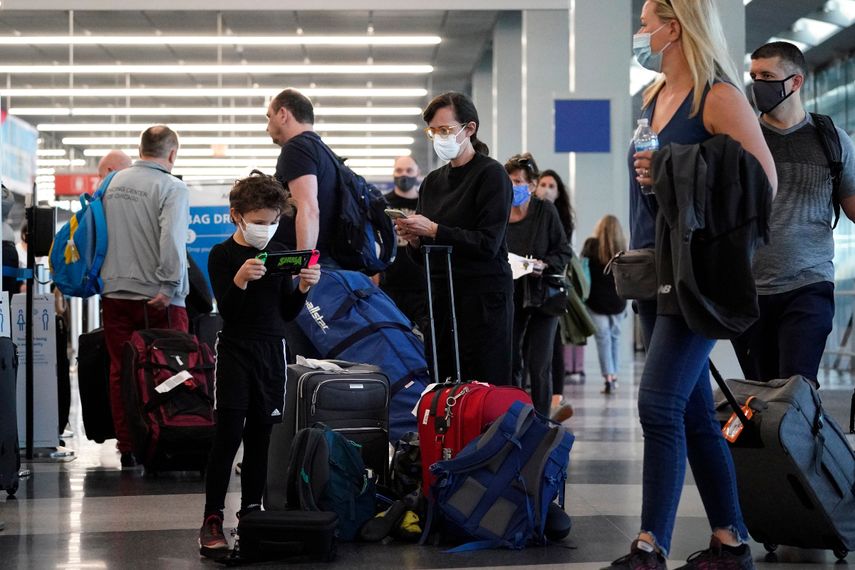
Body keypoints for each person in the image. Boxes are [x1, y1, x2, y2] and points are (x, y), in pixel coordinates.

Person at [609, 1, 777, 569]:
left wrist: (680, 167)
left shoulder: (718, 96)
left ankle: (649, 545)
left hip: (697, 276)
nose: (640, 31)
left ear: (674, 27)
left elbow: (763, 185)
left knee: (657, 405)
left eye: (647, 21)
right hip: (653, 271)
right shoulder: (653, 96)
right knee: (693, 414)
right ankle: (731, 541)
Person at [198, 171, 320, 555]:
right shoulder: (222, 255)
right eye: (258, 222)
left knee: (260, 437)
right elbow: (228, 312)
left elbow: (286, 312)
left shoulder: (279, 252)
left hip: (272, 351)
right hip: (236, 350)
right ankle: (212, 515)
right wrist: (239, 281)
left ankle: (252, 510)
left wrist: (303, 288)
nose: (265, 229)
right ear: (237, 216)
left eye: (272, 221)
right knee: (227, 435)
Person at [732, 41, 855, 385]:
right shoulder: (743, 139)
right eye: (754, 76)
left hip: (809, 283)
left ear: (796, 82)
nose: (758, 85)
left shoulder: (831, 140)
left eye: (768, 76)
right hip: (749, 290)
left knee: (797, 386)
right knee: (762, 393)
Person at [395, 92, 514, 386]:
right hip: (442, 296)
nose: (439, 137)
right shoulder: (432, 182)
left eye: (446, 130)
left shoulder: (491, 175)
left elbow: (487, 243)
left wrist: (434, 230)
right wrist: (415, 240)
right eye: (433, 131)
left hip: (482, 299)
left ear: (469, 129)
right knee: (443, 380)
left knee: (482, 383)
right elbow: (424, 254)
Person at [100, 125, 191, 469]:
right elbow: (172, 240)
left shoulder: (110, 184)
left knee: (120, 369)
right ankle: (170, 437)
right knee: (171, 366)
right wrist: (168, 286)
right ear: (172, 154)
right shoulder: (171, 187)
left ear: (141, 150)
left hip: (114, 292)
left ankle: (128, 446)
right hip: (158, 297)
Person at [505, 153, 572, 416]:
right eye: (509, 181)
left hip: (543, 294)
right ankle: (514, 415)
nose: (513, 187)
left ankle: (541, 421)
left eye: (518, 181)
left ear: (532, 185)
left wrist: (544, 264)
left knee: (539, 363)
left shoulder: (545, 212)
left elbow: (563, 251)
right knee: (511, 360)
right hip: (510, 295)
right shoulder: (499, 212)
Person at [266, 88, 340, 265]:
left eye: (269, 117)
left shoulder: (296, 149)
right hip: (328, 259)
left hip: (313, 264)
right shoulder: (325, 152)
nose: (267, 127)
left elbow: (308, 209)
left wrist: (302, 266)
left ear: (283, 114)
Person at [534, 170, 583, 411]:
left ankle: (556, 395)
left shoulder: (562, 219)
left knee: (554, 341)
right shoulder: (528, 214)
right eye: (542, 184)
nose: (546, 189)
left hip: (553, 286)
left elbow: (562, 252)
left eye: (551, 185)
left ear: (559, 191)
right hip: (531, 285)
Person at [581, 215, 627, 395]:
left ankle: (608, 378)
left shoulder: (590, 245)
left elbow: (581, 270)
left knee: (603, 339)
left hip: (595, 301)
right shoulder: (622, 247)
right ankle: (614, 376)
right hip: (618, 301)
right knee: (615, 338)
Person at [380, 155, 427, 331]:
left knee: (425, 334)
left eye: (409, 170)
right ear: (393, 173)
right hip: (389, 283)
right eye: (399, 170)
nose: (404, 175)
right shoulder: (383, 203)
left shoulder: (426, 203)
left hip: (421, 283)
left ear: (417, 173)